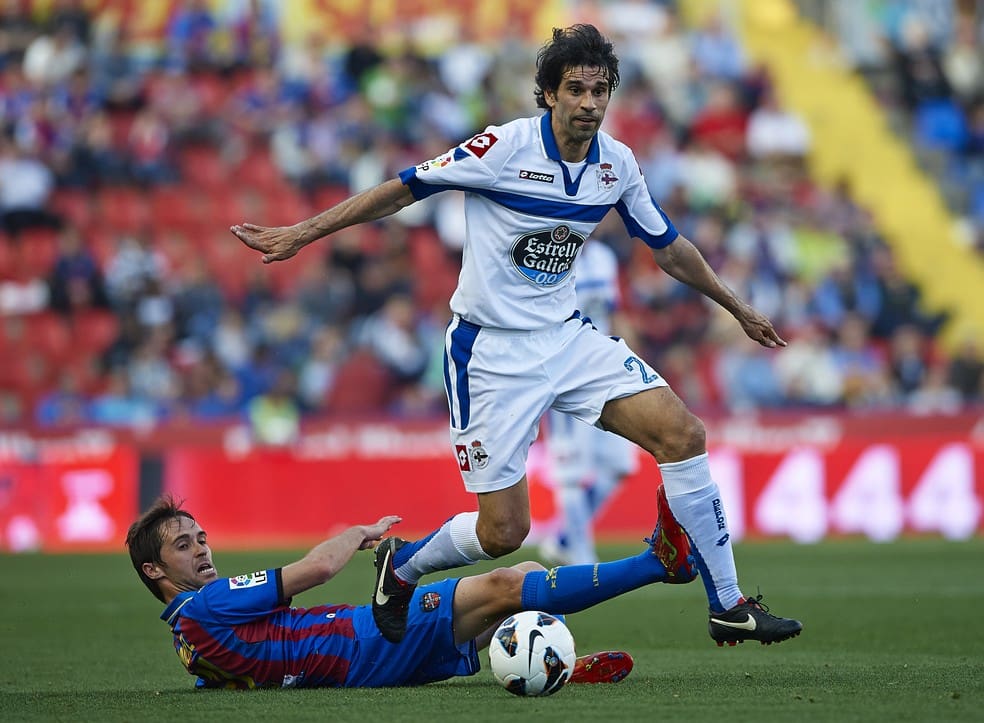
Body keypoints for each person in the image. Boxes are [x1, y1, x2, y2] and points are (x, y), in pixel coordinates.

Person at [232, 24, 803, 648]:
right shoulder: (502, 148)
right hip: (490, 354)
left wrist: (737, 306)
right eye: (576, 89)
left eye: (600, 90)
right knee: (503, 532)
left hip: (565, 338)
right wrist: (301, 233)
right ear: (550, 95)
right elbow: (402, 190)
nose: (590, 102)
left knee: (683, 433)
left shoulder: (617, 164)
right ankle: (402, 567)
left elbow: (668, 249)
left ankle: (728, 603)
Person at [125, 495, 699, 689]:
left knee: (515, 579)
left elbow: (226, 677)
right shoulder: (208, 604)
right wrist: (360, 533)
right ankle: (659, 563)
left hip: (360, 659)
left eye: (201, 538)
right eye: (183, 546)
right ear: (155, 571)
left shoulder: (187, 641)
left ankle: (550, 664)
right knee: (507, 583)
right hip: (366, 641)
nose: (202, 550)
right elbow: (317, 570)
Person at [539, 236, 638, 566]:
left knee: (619, 465)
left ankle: (565, 538)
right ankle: (582, 559)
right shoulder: (550, 256)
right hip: (566, 374)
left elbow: (614, 311)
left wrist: (632, 355)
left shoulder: (604, 255)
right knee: (571, 475)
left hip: (605, 369)